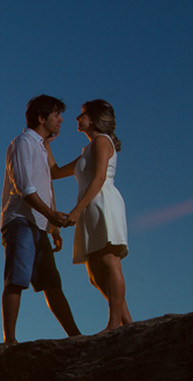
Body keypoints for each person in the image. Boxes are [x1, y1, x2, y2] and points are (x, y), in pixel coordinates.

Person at [0, 95, 82, 344]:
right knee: (16, 279)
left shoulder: (42, 146)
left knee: (51, 283)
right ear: (41, 117)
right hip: (20, 221)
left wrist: (52, 226)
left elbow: (49, 182)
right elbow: (25, 188)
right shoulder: (23, 143)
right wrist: (50, 216)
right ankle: (10, 340)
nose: (61, 120)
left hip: (39, 223)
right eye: (56, 115)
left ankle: (75, 336)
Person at [52, 99, 131, 332]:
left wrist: (77, 210)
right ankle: (128, 323)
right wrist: (46, 143)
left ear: (95, 119)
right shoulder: (88, 148)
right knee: (95, 274)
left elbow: (98, 178)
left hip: (102, 202)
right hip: (90, 205)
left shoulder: (102, 141)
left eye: (82, 115)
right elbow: (55, 173)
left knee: (109, 260)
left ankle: (115, 323)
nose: (78, 118)